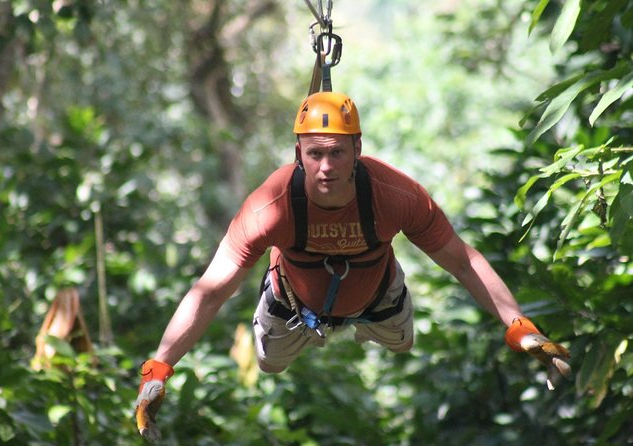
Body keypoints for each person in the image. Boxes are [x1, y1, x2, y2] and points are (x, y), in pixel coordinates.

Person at [134, 92, 571, 441]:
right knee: (268, 364)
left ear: (358, 148)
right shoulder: (270, 207)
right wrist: (159, 368)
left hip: (379, 298)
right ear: (298, 153)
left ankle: (372, 318)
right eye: (315, 153)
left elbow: (463, 262)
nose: (326, 167)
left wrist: (519, 326)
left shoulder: (395, 196)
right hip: (291, 306)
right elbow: (210, 290)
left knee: (402, 344)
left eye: (338, 153)